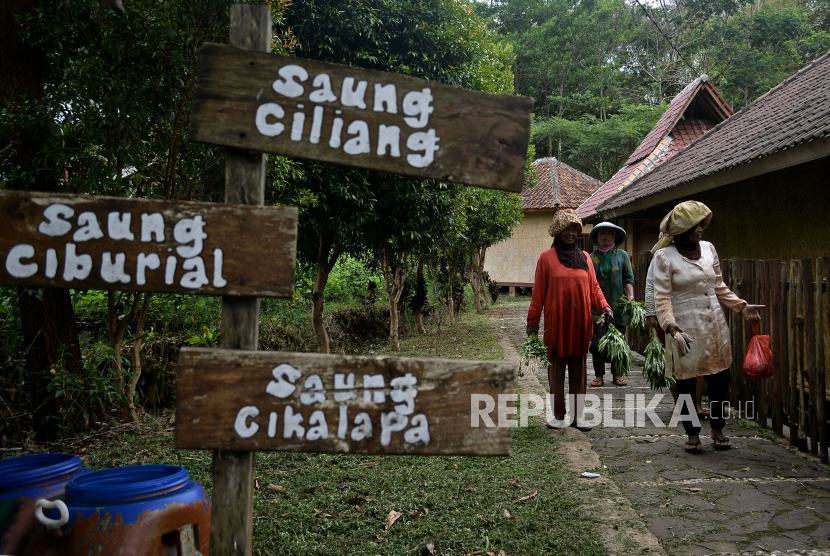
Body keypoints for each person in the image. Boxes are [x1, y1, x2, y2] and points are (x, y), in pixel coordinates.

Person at [652, 201, 762, 453]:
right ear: (680, 230)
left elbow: (719, 286)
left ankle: (717, 429)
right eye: (694, 225)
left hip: (714, 326)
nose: (700, 229)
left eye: (701, 224)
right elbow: (662, 297)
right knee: (688, 383)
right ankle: (692, 435)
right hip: (684, 329)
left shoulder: (708, 249)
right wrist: (669, 325)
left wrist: (741, 306)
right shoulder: (664, 256)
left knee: (720, 380)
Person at [526, 209, 612, 431]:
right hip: (556, 325)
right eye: (566, 229)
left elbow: (594, 288)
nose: (571, 233)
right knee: (555, 370)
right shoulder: (546, 258)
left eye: (574, 229)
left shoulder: (585, 258)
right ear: (557, 232)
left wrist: (605, 306)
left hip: (580, 324)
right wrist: (532, 324)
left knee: (579, 370)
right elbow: (538, 295)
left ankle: (579, 416)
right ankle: (558, 414)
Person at [645, 232, 708, 420]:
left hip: (697, 315)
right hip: (669, 316)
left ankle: (696, 403)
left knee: (699, 360)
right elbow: (650, 286)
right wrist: (650, 314)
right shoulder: (660, 257)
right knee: (674, 360)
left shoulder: (698, 255)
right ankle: (679, 403)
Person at [588, 222, 635, 387]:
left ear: (614, 237)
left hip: (618, 306)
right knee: (597, 341)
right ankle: (599, 375)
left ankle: (617, 374)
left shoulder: (622, 255)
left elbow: (628, 279)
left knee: (619, 341)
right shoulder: (592, 258)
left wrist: (630, 296)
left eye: (609, 233)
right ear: (598, 237)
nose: (606, 236)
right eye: (603, 234)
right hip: (597, 308)